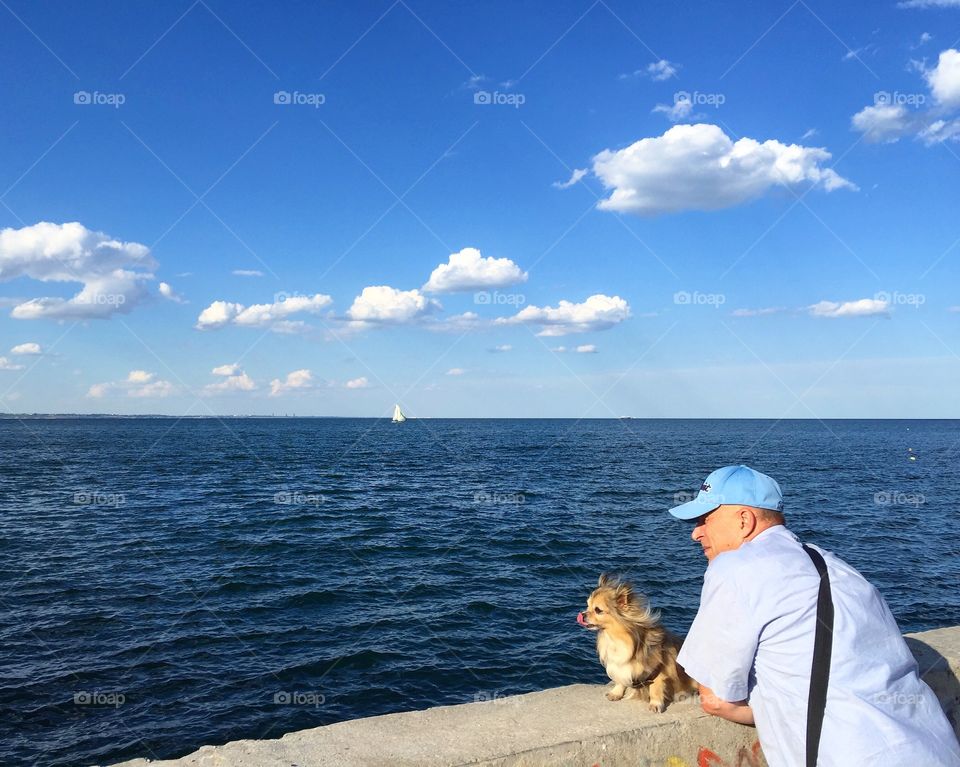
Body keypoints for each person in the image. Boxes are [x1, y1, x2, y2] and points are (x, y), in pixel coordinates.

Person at [668, 464, 960, 766]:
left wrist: (778, 706)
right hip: (936, 749)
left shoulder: (735, 569)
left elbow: (716, 699)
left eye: (705, 519)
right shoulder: (838, 567)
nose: (696, 533)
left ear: (744, 520)